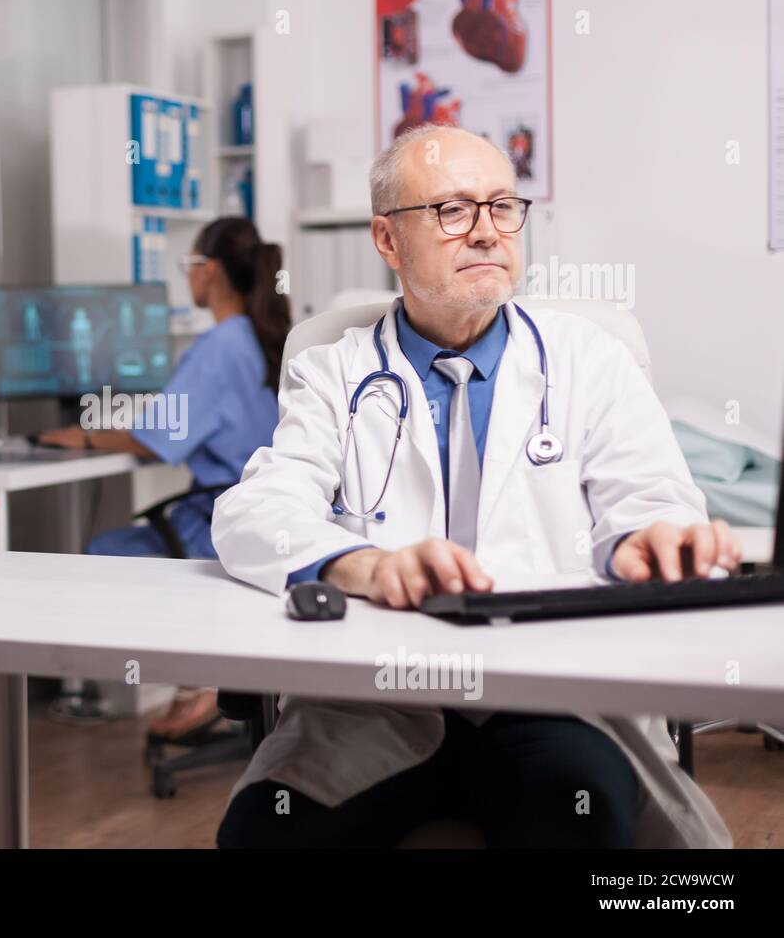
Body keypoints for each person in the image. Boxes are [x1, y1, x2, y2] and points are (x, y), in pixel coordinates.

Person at [210, 125, 737, 848]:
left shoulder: (591, 360)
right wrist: (369, 566)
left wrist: (650, 544)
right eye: (453, 211)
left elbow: (651, 504)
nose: (487, 233)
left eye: (502, 207)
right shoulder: (332, 370)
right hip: (380, 695)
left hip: (550, 695)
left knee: (576, 820)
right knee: (262, 836)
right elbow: (256, 513)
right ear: (387, 241)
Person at [38, 217, 291, 739]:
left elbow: (154, 439)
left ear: (210, 272)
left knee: (102, 554)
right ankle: (204, 677)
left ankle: (199, 679)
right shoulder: (264, 337)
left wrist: (82, 434)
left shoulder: (219, 346)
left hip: (220, 522)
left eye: (189, 266)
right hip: (272, 519)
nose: (187, 278)